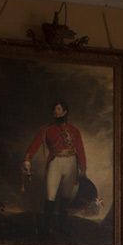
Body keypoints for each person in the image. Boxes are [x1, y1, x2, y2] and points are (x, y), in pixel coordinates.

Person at [22, 100, 86, 237]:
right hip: (55, 162)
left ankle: (62, 226)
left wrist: (83, 168)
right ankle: (46, 228)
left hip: (71, 164)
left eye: (58, 109)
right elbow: (34, 145)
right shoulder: (46, 130)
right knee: (50, 195)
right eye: (54, 109)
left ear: (64, 112)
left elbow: (80, 149)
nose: (55, 111)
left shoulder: (74, 130)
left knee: (66, 197)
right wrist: (27, 160)